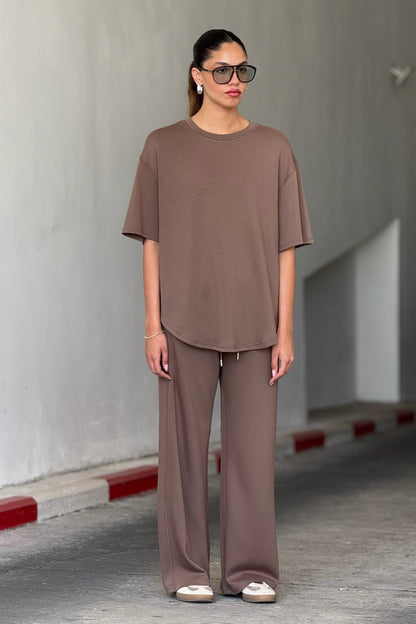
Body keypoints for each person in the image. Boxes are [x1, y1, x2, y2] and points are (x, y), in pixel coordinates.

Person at [122, 28, 313, 604]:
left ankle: (251, 569)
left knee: (252, 455)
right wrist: (153, 327)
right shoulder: (163, 147)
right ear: (197, 75)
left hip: (256, 327)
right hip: (183, 322)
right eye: (223, 70)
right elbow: (151, 241)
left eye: (243, 71)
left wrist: (284, 331)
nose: (235, 81)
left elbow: (286, 246)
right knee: (182, 454)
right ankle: (186, 570)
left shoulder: (274, 148)